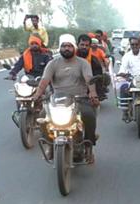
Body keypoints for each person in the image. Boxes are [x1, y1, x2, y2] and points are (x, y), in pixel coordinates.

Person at [34, 34, 99, 163]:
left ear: (74, 47)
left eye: (69, 46)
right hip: (57, 101)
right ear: (60, 48)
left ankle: (88, 147)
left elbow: (89, 80)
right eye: (64, 46)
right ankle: (50, 146)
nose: (66, 49)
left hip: (79, 99)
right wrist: (37, 95)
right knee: (42, 117)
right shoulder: (53, 63)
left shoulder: (83, 63)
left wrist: (93, 93)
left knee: (89, 115)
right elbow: (44, 81)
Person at [116, 37, 140, 119]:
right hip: (132, 79)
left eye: (136, 44)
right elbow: (123, 68)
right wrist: (122, 73)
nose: (134, 46)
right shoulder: (127, 56)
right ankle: (125, 111)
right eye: (132, 44)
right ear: (130, 45)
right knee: (123, 88)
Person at [77, 34, 107, 100]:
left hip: (89, 89)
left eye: (87, 45)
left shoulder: (94, 60)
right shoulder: (71, 58)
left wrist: (92, 92)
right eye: (82, 45)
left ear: (89, 46)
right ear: (77, 45)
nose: (84, 47)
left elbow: (96, 78)